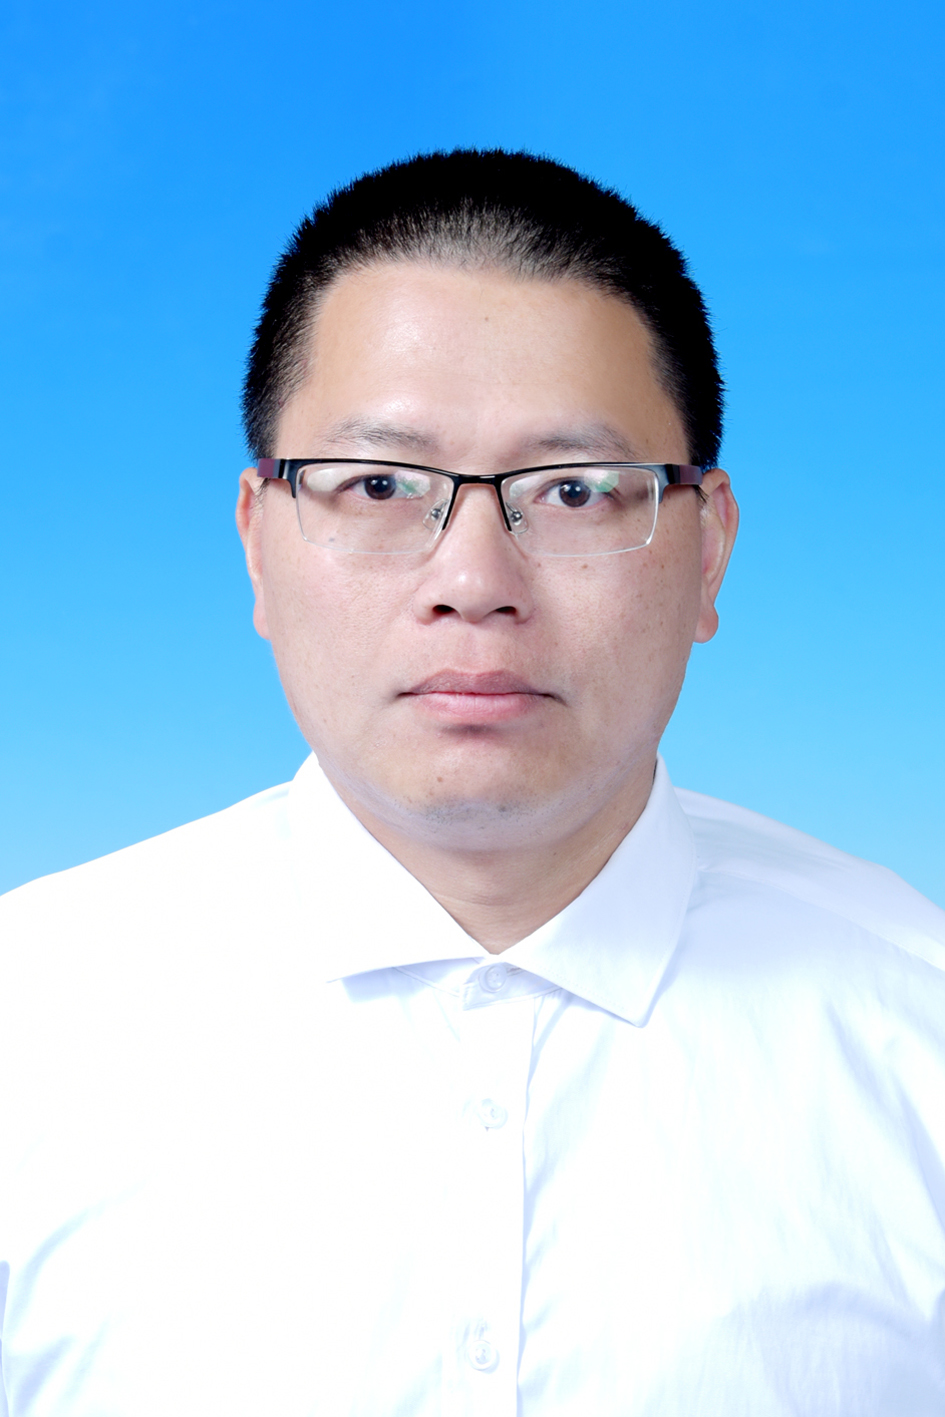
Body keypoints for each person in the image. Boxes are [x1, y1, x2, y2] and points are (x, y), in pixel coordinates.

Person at [1, 149, 943, 1417]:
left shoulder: (917, 1034)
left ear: (709, 548)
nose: (475, 582)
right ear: (258, 542)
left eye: (575, 491)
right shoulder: (30, 1027)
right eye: (381, 486)